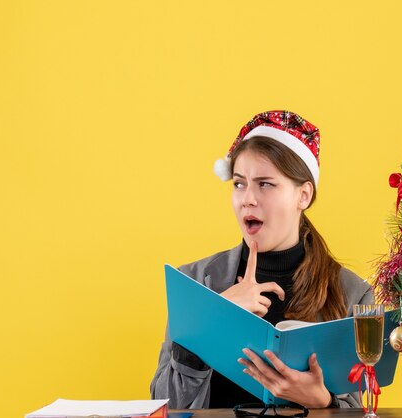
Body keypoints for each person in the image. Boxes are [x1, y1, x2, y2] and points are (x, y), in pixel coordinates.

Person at [150, 111, 373, 409]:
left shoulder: (352, 294)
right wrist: (213, 318)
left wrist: (324, 402)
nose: (248, 199)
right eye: (239, 184)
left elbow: (365, 410)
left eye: (265, 184)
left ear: (303, 195)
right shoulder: (193, 280)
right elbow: (165, 405)